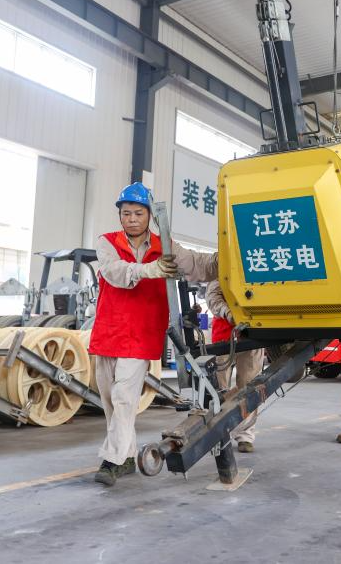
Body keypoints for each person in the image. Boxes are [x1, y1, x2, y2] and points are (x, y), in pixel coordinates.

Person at [90, 182, 219, 486]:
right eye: (126, 213)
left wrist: (229, 257)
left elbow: (198, 265)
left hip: (141, 334)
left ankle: (112, 461)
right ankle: (126, 456)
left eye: (138, 213)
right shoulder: (107, 242)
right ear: (119, 215)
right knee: (110, 401)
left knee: (124, 399)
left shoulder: (166, 247)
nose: (132, 219)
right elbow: (114, 272)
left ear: (150, 215)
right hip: (109, 332)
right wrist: (151, 270)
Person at [205, 279, 264, 453]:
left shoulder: (257, 272)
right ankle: (220, 433)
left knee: (250, 388)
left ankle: (245, 436)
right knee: (219, 390)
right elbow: (213, 298)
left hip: (254, 335)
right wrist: (231, 314)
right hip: (224, 337)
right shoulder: (221, 273)